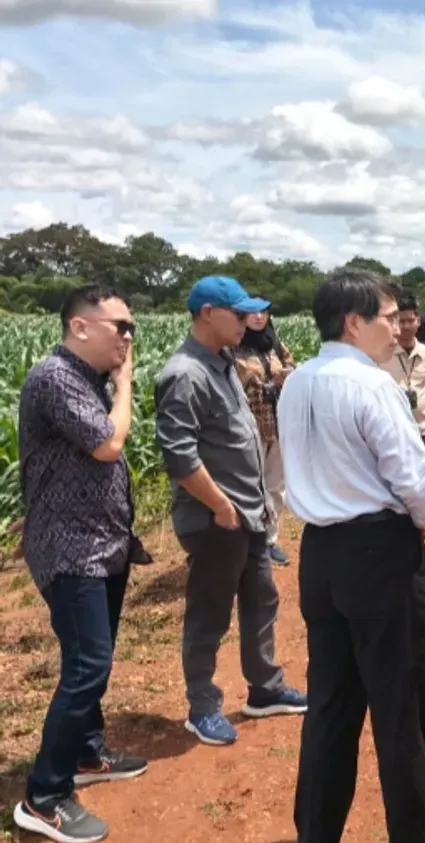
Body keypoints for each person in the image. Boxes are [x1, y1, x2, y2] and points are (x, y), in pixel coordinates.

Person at [276, 268, 425, 843]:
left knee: (330, 704)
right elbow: (411, 474)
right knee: (399, 700)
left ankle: (317, 831)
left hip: (321, 554)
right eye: (387, 317)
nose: (397, 328)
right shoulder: (372, 384)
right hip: (380, 552)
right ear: (354, 323)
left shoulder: (297, 382)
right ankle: (415, 832)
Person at [14, 286, 148, 843]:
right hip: (70, 550)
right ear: (79, 326)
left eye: (132, 328)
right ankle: (43, 798)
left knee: (96, 656)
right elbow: (108, 445)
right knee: (87, 664)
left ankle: (87, 754)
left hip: (102, 544)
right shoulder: (55, 377)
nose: (128, 337)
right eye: (120, 325)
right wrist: (126, 384)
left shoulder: (87, 379)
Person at [155, 275, 307, 747]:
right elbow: (179, 456)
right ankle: (202, 707)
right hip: (217, 519)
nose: (248, 322)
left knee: (262, 601)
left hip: (250, 513)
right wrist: (221, 507)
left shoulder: (223, 364)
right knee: (210, 614)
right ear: (207, 314)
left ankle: (264, 687)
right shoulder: (184, 374)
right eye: (238, 314)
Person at [231, 299, 296, 566]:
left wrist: (287, 375)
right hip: (248, 425)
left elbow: (291, 365)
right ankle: (247, 540)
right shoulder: (232, 348)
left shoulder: (275, 346)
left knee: (275, 485)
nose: (259, 316)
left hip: (277, 423)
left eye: (264, 311)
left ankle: (269, 540)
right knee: (247, 484)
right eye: (253, 312)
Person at [381, 291, 425, 441]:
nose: (406, 326)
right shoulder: (382, 354)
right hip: (392, 431)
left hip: (420, 430)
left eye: (410, 320)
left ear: (418, 321)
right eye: (401, 321)